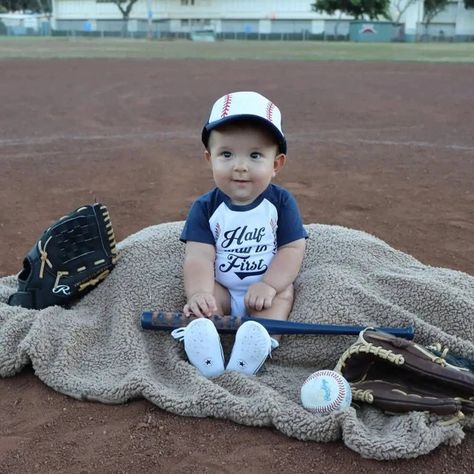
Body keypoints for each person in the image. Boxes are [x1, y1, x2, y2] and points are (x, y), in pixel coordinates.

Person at [172, 91, 307, 378]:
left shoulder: (281, 203)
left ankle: (257, 343)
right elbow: (198, 257)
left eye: (255, 155)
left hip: (265, 289)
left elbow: (292, 250)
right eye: (227, 154)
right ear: (209, 158)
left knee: (284, 293)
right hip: (223, 287)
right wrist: (199, 293)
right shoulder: (206, 207)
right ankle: (204, 342)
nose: (240, 165)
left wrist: (270, 285)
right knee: (204, 305)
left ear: (276, 164)